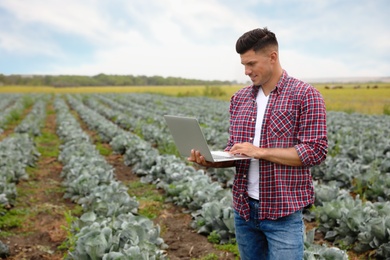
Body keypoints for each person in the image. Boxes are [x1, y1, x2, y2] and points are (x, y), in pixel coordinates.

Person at [188, 27, 328, 260]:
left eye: (251, 63)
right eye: (244, 64)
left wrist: (260, 152)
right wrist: (212, 161)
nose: (246, 71)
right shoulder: (239, 99)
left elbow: (315, 151)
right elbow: (236, 150)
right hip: (244, 211)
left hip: (283, 212)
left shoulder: (306, 95)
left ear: (272, 57)